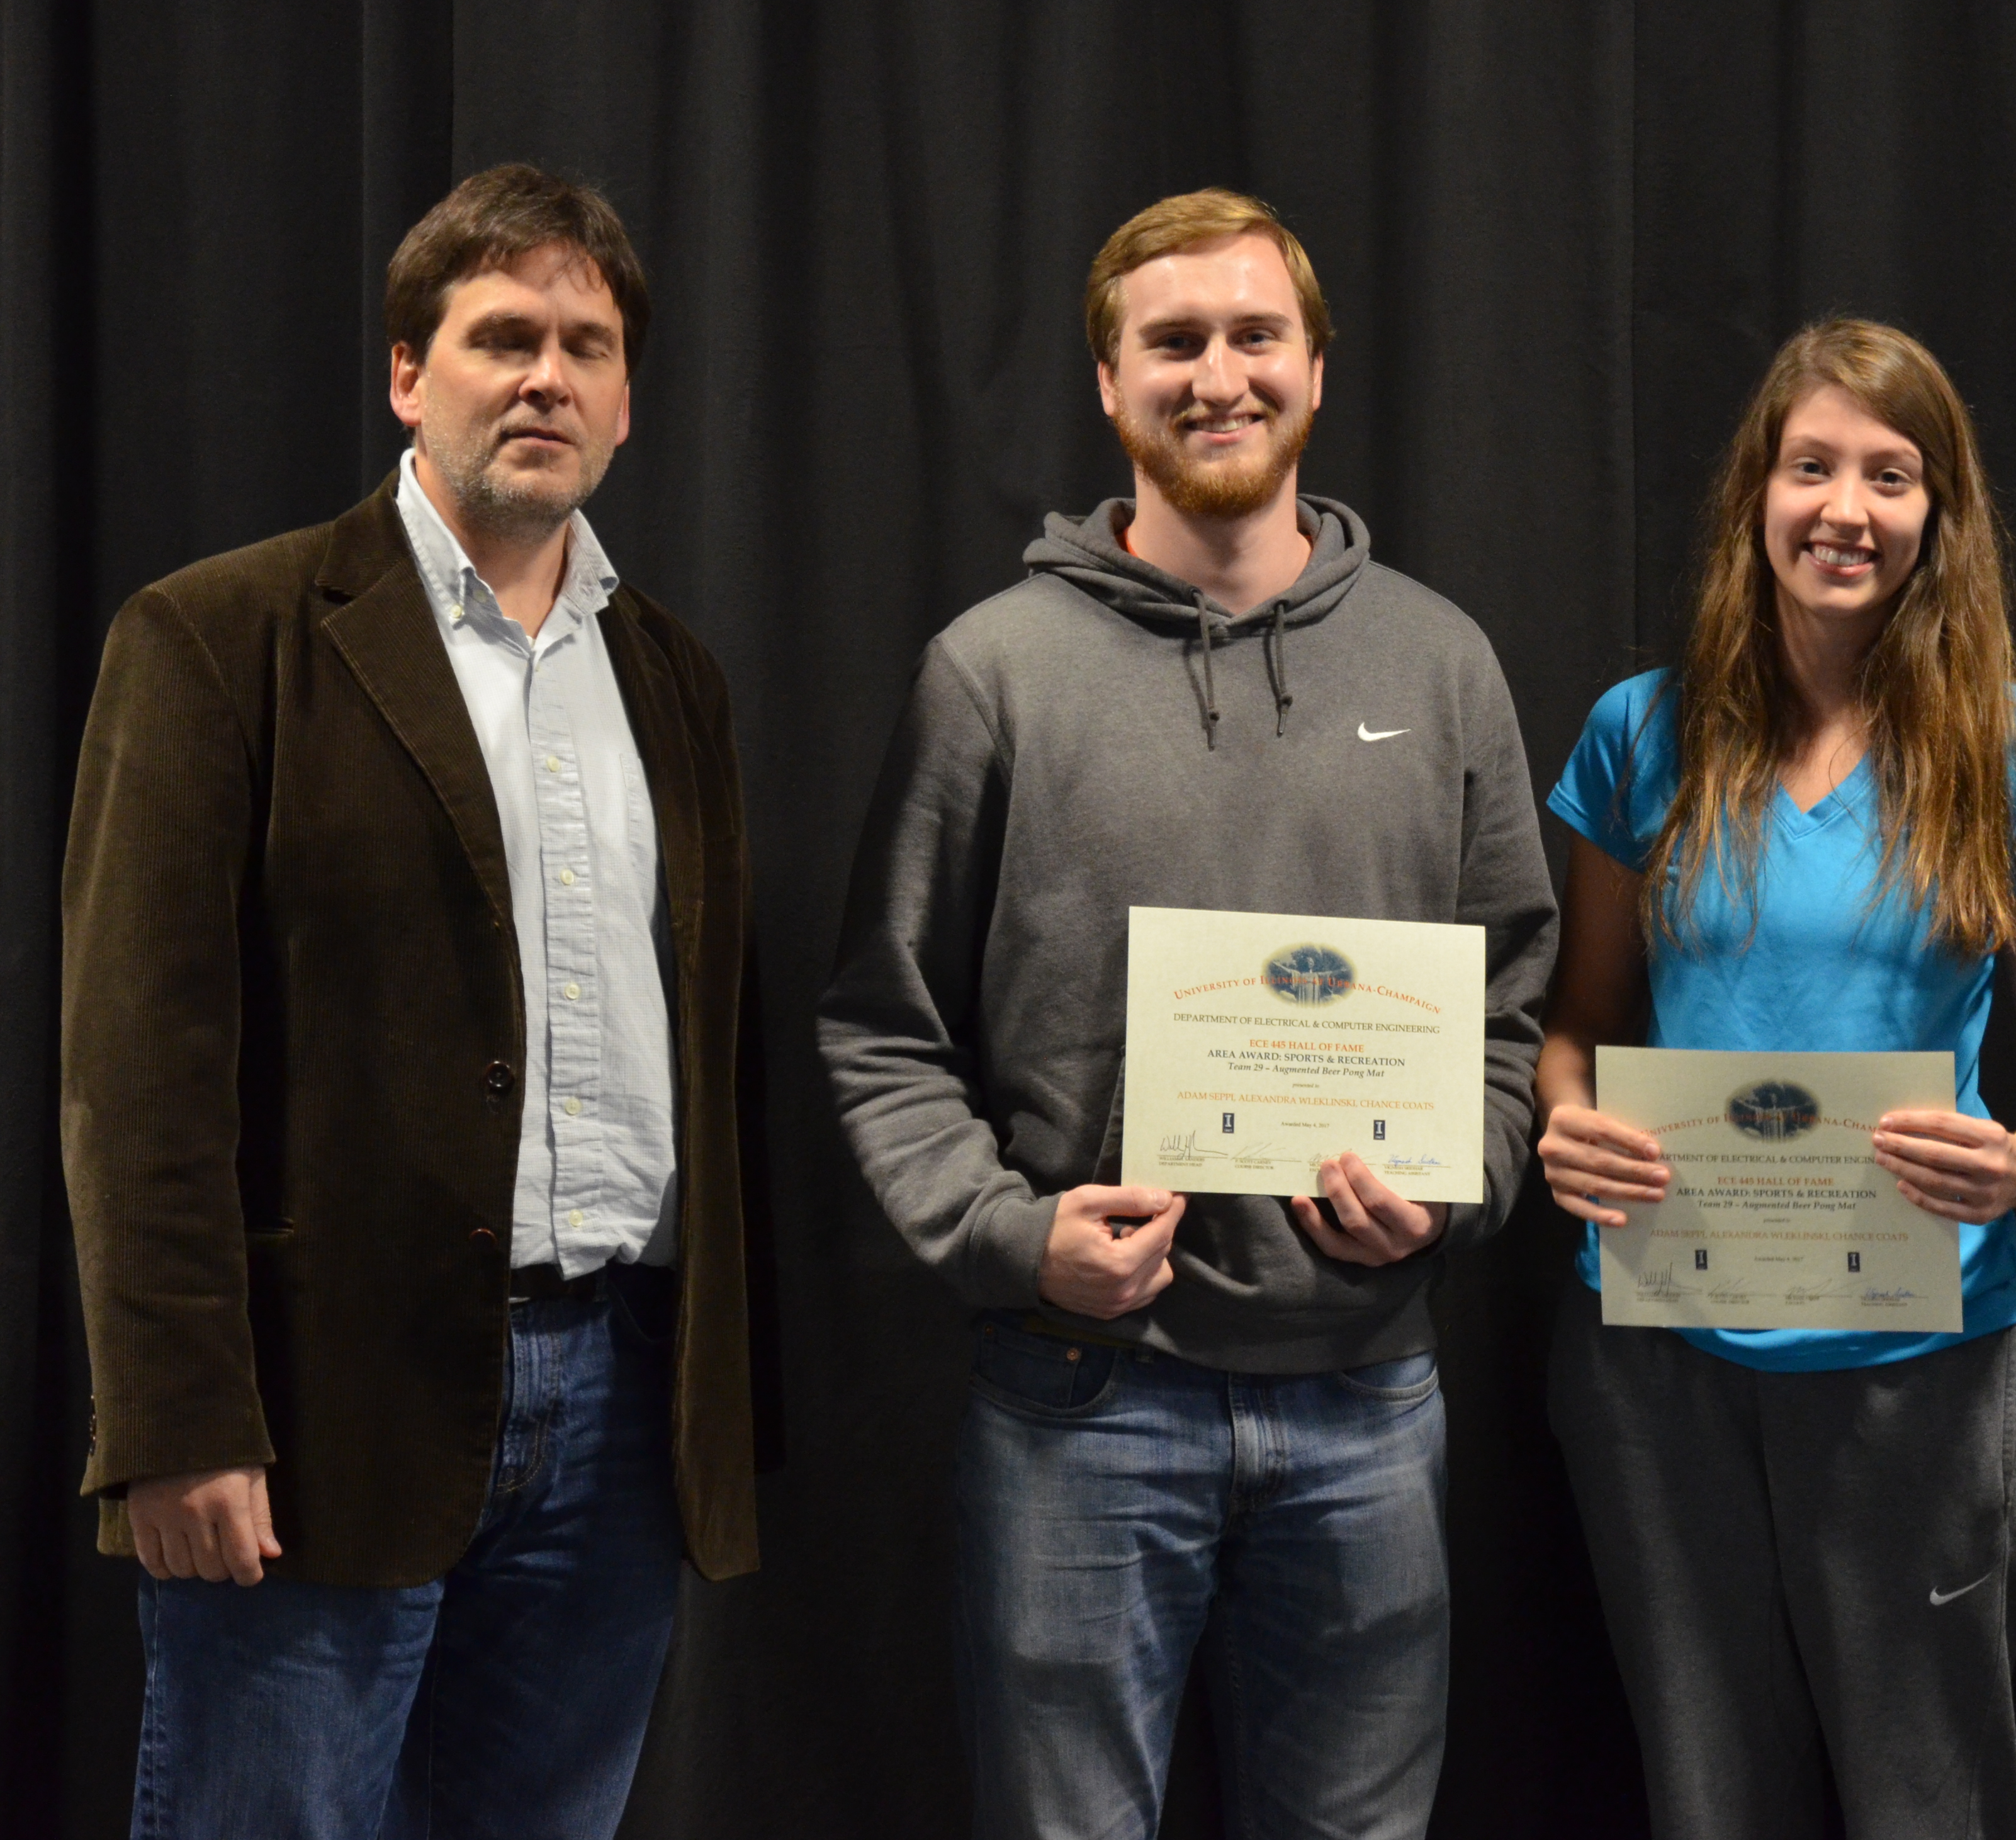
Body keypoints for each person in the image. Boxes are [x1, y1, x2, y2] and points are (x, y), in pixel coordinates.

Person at [818, 188, 1558, 1840]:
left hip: (1368, 1395)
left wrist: (1453, 1188)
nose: (1217, 374)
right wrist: (1013, 1239)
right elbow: (882, 1025)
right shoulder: (991, 672)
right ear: (1107, 382)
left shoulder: (1443, 667)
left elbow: (1514, 1007)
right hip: (1081, 1394)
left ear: (1314, 368)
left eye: (1252, 336)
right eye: (1174, 343)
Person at [60, 164, 775, 1837]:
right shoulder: (224, 638)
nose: (548, 377)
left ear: (625, 402)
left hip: (619, 1407)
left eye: (587, 346)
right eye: (503, 336)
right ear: (407, 374)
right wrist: (175, 1424)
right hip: (318, 1416)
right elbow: (136, 1079)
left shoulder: (672, 675)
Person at [1533, 319, 2016, 1840]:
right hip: (1663, 1362)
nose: (1845, 508)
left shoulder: (2015, 749)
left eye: (1890, 474)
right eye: (1812, 467)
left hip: (1921, 1362)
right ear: (1755, 495)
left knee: (1929, 1800)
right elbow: (1574, 1025)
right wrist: (1564, 1124)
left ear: (1940, 515)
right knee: (1709, 1798)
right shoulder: (1640, 733)